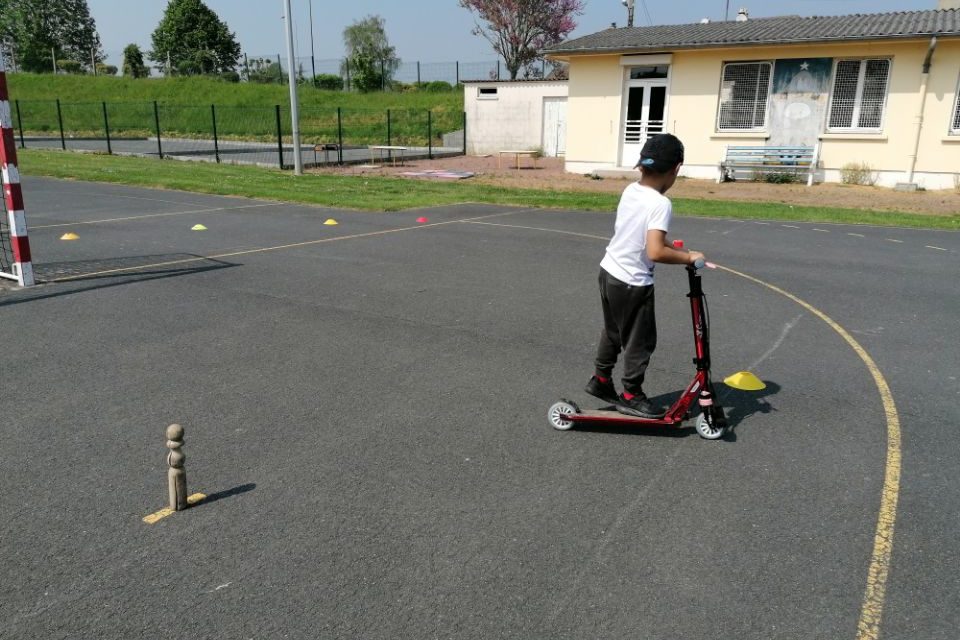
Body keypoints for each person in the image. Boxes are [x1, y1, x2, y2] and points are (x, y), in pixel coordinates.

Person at [584, 134, 705, 418]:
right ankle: (631, 394)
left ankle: (601, 381)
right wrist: (689, 257)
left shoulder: (631, 190)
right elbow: (655, 252)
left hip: (609, 271)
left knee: (613, 332)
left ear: (642, 166)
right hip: (632, 282)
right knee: (640, 341)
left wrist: (681, 249)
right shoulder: (661, 204)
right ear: (676, 168)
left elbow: (641, 235)